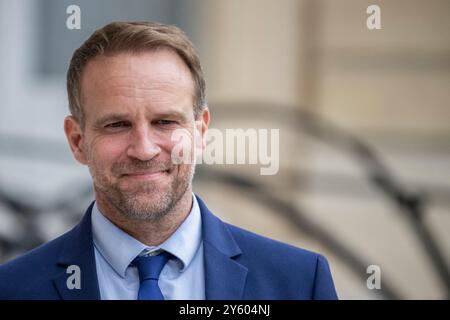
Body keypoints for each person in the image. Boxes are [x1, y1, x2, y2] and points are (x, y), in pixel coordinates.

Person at [0, 21, 338, 300]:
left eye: (165, 122)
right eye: (117, 125)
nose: (144, 150)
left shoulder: (298, 283)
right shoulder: (13, 289)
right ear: (77, 141)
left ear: (201, 132)